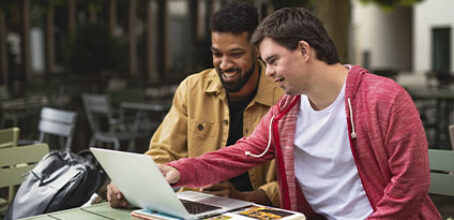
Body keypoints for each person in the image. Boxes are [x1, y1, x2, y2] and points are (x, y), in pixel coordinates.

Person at [159, 7, 441, 220]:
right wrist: (178, 170)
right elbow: (240, 153)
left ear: (304, 51)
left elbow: (410, 185)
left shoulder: (385, 98)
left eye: (273, 61)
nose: (267, 72)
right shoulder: (287, 110)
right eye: (263, 62)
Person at [106, 2, 284, 208]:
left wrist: (245, 198)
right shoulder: (193, 88)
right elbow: (163, 151)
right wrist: (132, 183)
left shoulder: (284, 96)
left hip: (257, 212)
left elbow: (296, 181)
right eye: (217, 54)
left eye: (236, 54)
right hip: (191, 208)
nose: (225, 64)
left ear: (257, 50)